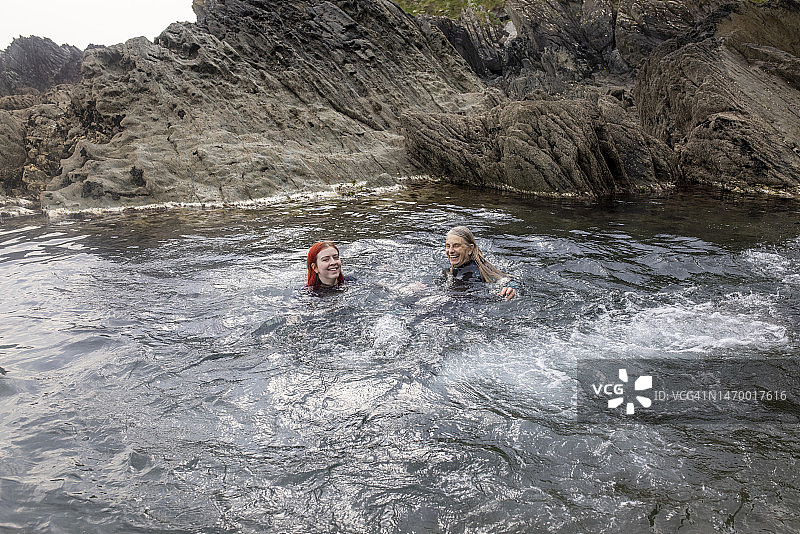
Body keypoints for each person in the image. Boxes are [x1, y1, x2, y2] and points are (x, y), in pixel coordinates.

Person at [445, 226, 517, 300]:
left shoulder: (478, 272)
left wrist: (513, 289)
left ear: (470, 249)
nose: (450, 251)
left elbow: (511, 281)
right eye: (448, 246)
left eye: (456, 246)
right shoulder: (450, 270)